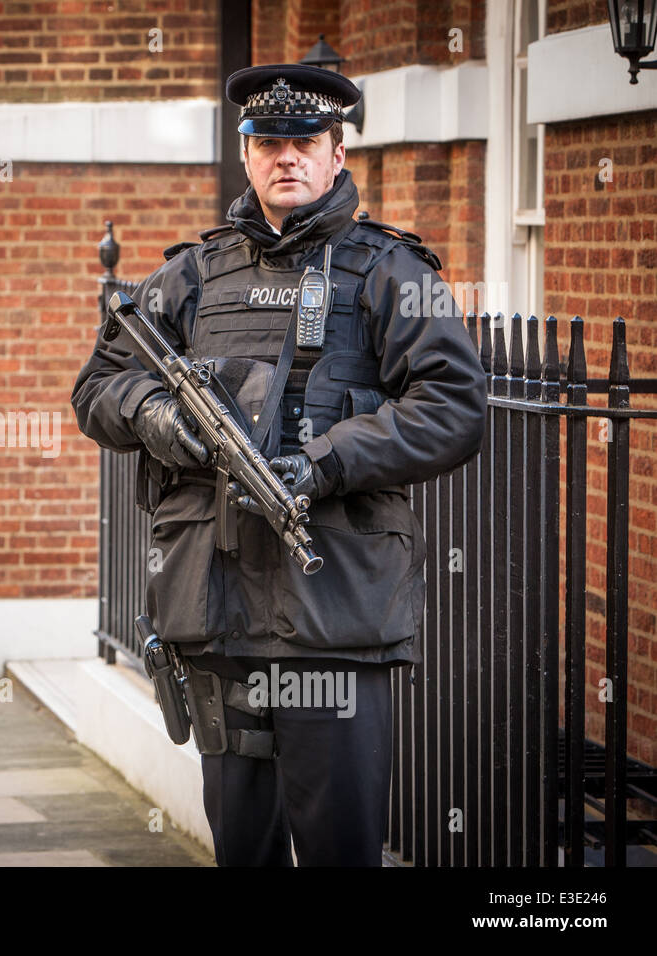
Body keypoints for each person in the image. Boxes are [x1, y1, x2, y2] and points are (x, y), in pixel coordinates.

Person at [72, 65, 486, 866]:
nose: (285, 158)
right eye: (268, 144)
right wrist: (156, 416)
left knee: (339, 845)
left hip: (332, 609)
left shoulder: (393, 275)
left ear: (337, 153)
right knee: (243, 846)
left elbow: (454, 408)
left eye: (304, 142)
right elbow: (97, 388)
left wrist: (325, 463)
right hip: (216, 608)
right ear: (247, 155)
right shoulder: (193, 275)